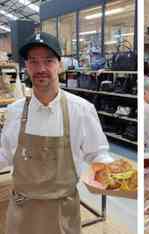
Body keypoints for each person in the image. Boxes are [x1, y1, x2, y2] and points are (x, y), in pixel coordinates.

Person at [0, 32, 114, 234]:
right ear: (26, 66)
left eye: (48, 61)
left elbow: (97, 153)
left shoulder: (81, 109)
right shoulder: (14, 112)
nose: (41, 68)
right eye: (33, 61)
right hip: (22, 211)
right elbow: (5, 154)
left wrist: (113, 173)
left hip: (62, 212)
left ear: (60, 65)